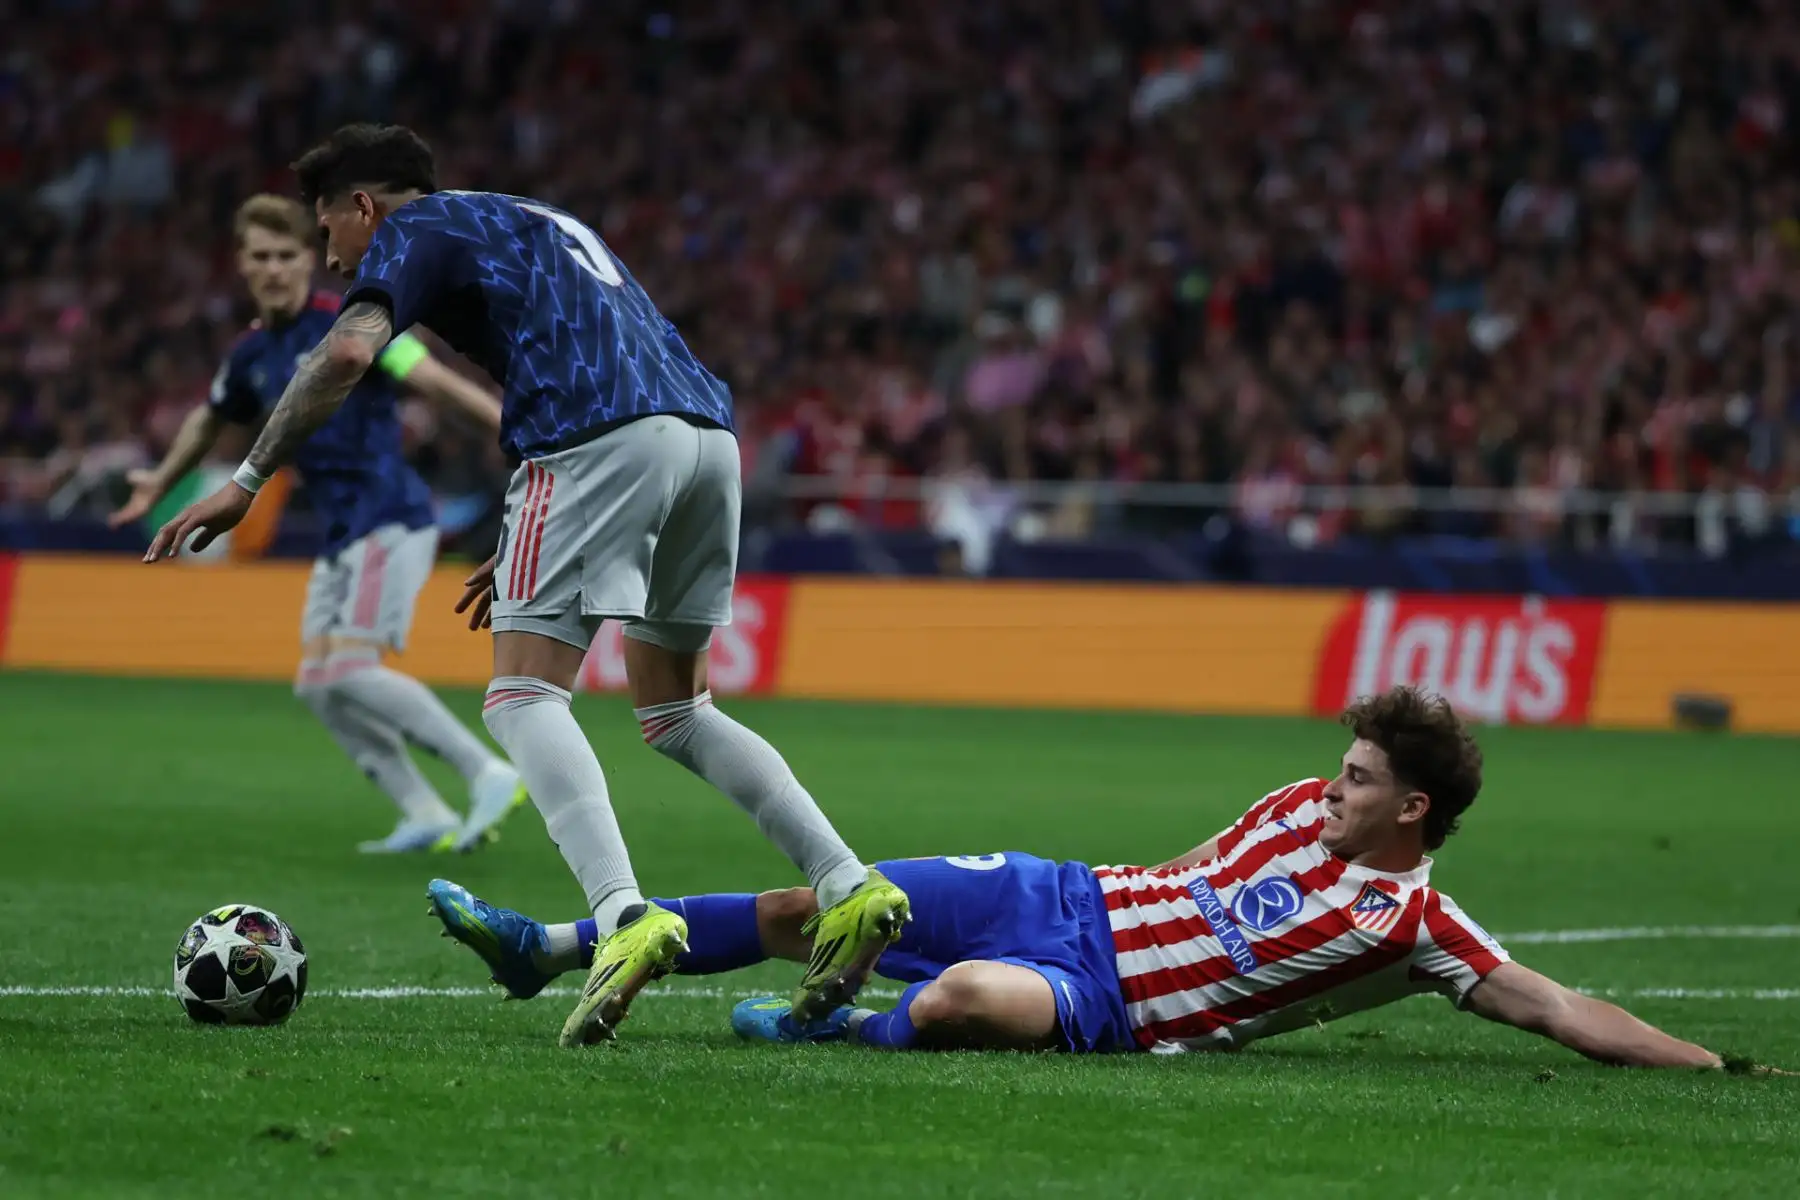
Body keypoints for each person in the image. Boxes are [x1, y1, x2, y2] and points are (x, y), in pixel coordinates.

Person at [144, 124, 909, 1048]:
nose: (335, 257)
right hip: (706, 439)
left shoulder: (407, 234)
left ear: (361, 207)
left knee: (520, 694)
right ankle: (847, 883)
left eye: (329, 232)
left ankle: (624, 917)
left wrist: (247, 481)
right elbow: (586, 346)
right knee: (677, 712)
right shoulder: (533, 218)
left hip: (596, 443)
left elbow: (346, 356)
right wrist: (526, 527)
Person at [426, 686, 1741, 1069]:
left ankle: (830, 1021)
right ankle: (543, 945)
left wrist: (1712, 1065)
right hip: (1060, 895)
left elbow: (1561, 1011)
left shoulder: (1414, 925)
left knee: (949, 1011)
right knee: (814, 904)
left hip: (1103, 1004)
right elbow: (1191, 874)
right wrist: (1118, 885)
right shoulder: (1292, 805)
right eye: (1334, 771)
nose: (1326, 789)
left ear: (1412, 809)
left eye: (1353, 782)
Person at [117, 194, 524, 854]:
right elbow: (211, 416)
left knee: (350, 669)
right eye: (260, 256)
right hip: (344, 533)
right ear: (243, 265)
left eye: (286, 255)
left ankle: (488, 771)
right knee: (317, 683)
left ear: (309, 259)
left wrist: (514, 427)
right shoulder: (253, 353)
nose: (274, 268)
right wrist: (160, 481)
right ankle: (423, 811)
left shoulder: (352, 325)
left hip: (389, 516)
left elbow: (436, 381)